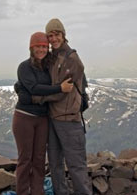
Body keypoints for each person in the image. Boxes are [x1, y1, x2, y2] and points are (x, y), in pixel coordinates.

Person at [13, 31, 73, 195]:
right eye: (37, 46)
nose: (41, 49)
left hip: (43, 118)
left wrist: (31, 95)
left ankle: (37, 192)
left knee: (39, 159)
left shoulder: (49, 66)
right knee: (25, 160)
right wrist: (59, 88)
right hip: (24, 117)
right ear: (31, 48)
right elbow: (34, 88)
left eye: (43, 46)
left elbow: (33, 91)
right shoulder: (24, 67)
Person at [44, 18, 92, 195]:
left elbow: (61, 90)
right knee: (55, 165)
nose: (53, 39)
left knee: (76, 166)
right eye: (50, 36)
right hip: (52, 119)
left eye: (56, 34)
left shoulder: (72, 59)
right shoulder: (52, 58)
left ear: (63, 35)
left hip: (69, 120)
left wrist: (37, 97)